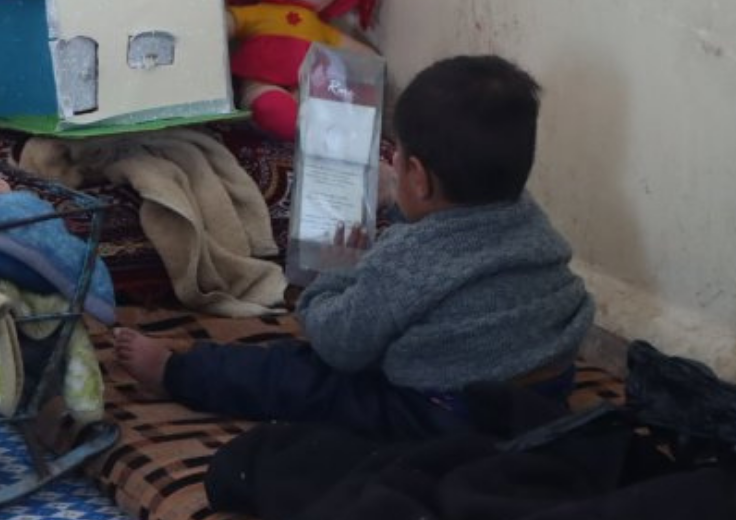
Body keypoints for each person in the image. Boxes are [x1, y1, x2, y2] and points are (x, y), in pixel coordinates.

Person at [114, 55, 595, 439]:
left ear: (417, 177)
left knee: (296, 374)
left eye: (399, 159)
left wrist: (336, 272)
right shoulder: (530, 222)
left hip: (445, 413)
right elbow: (455, 234)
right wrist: (399, 203)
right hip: (542, 394)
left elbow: (337, 346)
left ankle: (177, 373)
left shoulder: (403, 264)